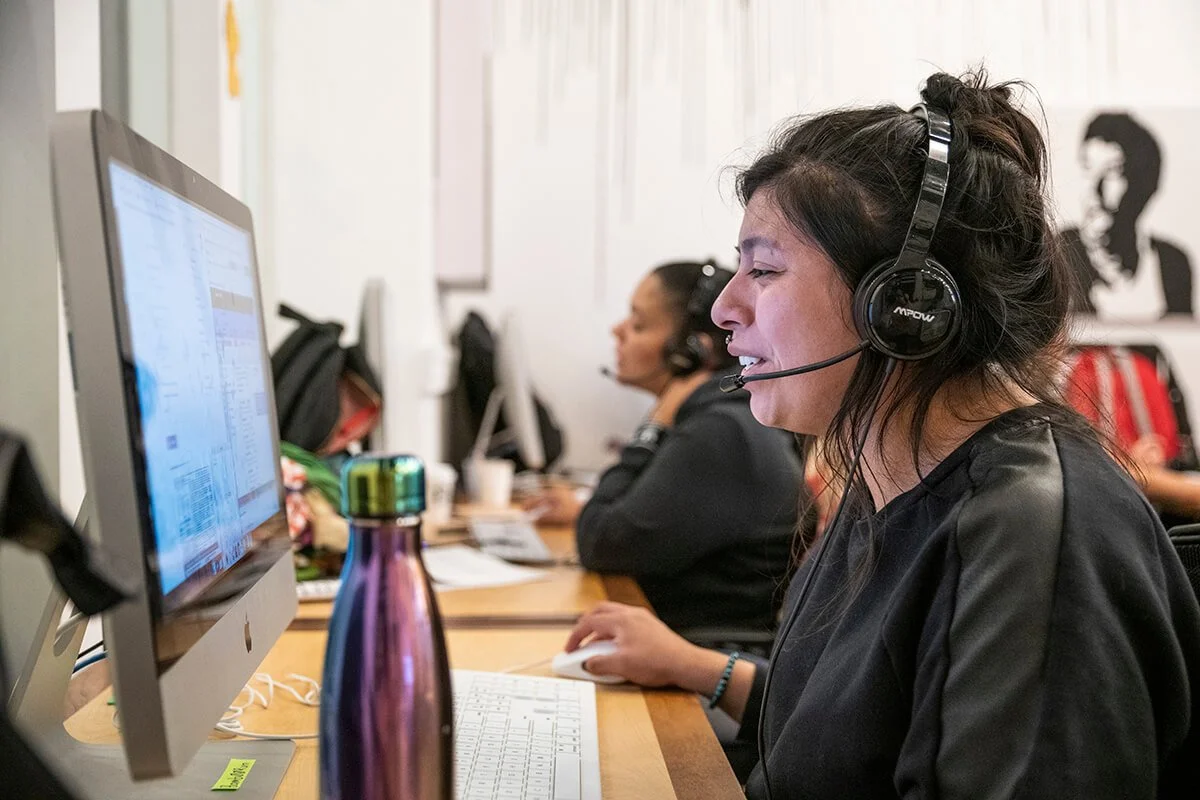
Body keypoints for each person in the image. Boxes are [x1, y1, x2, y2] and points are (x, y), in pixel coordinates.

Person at [564, 71, 1200, 798]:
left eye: (764, 269)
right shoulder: (890, 475)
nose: (724, 310)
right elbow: (851, 733)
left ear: (902, 305)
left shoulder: (1032, 536)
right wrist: (700, 668)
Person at [528, 260, 803, 633]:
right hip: (676, 638)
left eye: (639, 324)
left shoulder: (720, 432)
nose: (618, 330)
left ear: (692, 351)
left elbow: (600, 543)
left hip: (699, 653)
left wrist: (654, 425)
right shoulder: (717, 417)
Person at [1060, 111, 1194, 320]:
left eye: (1114, 171)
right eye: (1087, 168)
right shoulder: (1062, 251)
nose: (1094, 188)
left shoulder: (1171, 263)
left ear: (1144, 184)